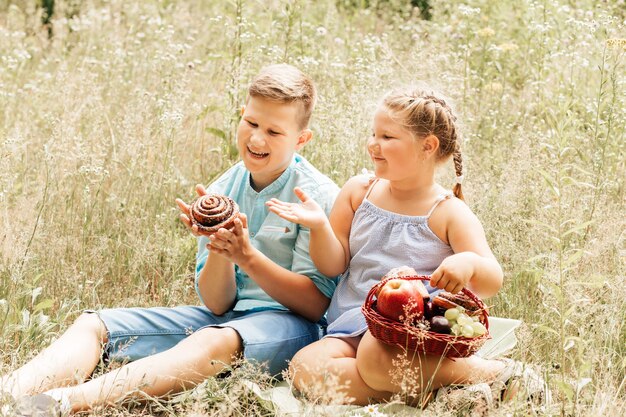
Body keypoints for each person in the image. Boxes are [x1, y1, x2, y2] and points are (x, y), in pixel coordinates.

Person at [0, 63, 339, 416]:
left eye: (274, 131)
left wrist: (247, 256)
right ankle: (9, 394)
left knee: (214, 338)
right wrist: (220, 247)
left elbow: (314, 307)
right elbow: (217, 303)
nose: (256, 139)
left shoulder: (314, 197)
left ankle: (61, 403)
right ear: (241, 115)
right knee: (93, 324)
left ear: (301, 139)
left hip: (289, 328)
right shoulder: (223, 189)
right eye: (251, 123)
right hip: (228, 318)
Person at [266, 84, 542, 406]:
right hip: (350, 324)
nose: (373, 144)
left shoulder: (447, 211)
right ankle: (438, 395)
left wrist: (467, 262)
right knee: (304, 367)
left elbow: (492, 278)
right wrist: (319, 227)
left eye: (387, 137)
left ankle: (493, 372)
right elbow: (333, 265)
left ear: (428, 146)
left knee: (372, 357)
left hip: (411, 332)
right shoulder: (359, 192)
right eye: (373, 134)